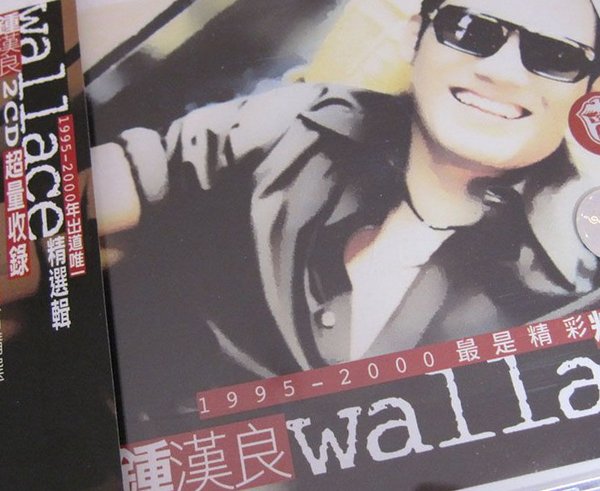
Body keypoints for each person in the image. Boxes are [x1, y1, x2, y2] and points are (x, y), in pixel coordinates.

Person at [92, 0, 600, 435]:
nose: (502, 72)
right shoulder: (298, 124)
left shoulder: (573, 284)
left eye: (556, 57)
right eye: (470, 30)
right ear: (414, 38)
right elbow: (102, 192)